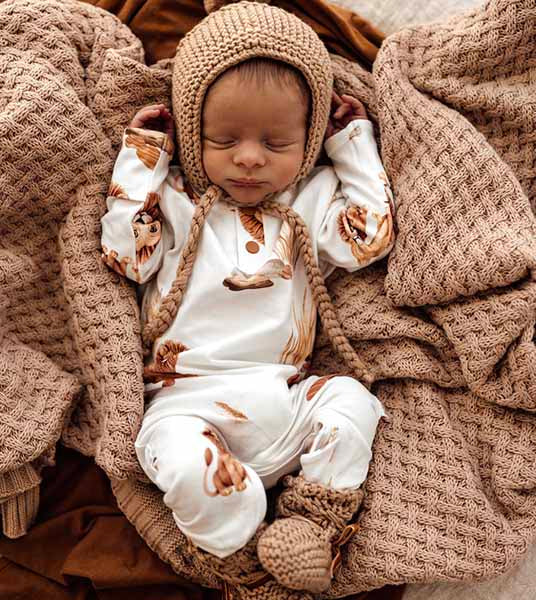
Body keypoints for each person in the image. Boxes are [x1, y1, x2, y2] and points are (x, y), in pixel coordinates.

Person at [100, 2, 395, 594]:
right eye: (225, 139)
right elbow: (127, 255)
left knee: (352, 404)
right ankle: (239, 557)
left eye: (277, 142)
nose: (250, 158)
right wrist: (143, 160)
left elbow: (370, 238)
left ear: (309, 141)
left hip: (285, 401)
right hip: (188, 407)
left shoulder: (312, 198)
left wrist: (352, 145)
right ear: (192, 133)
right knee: (182, 463)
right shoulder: (177, 200)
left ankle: (313, 523)